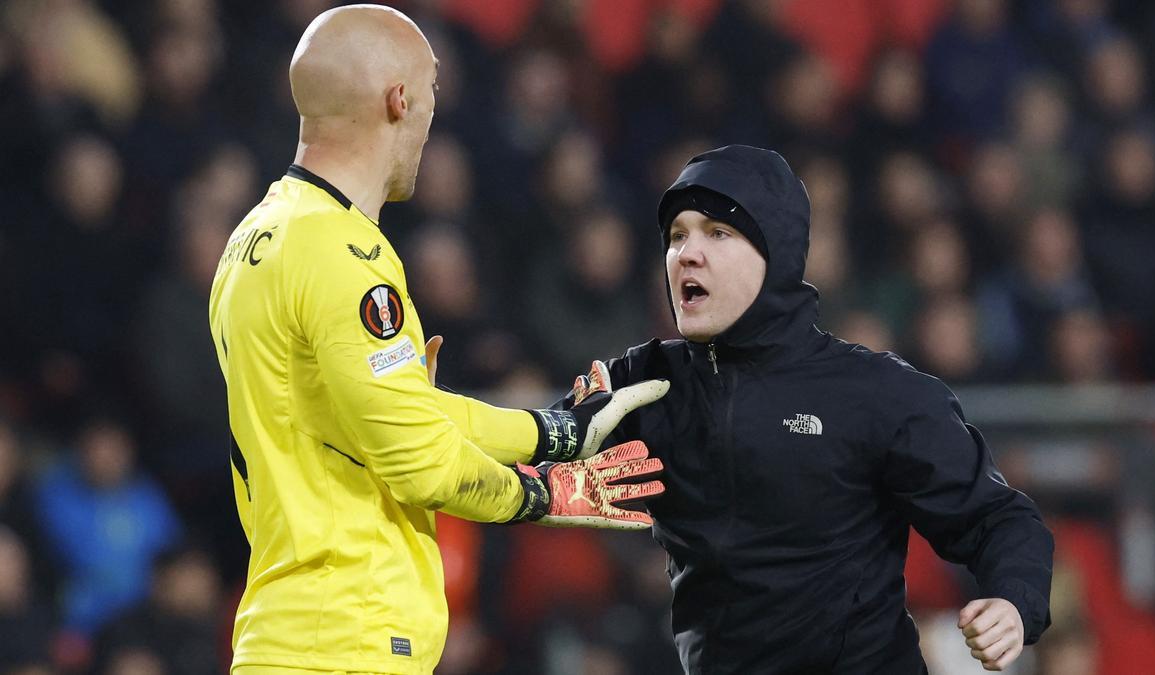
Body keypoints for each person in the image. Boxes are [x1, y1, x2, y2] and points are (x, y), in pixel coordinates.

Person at [207, 6, 668, 674]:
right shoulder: (344, 253)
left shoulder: (257, 237)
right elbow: (418, 459)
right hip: (346, 639)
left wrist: (556, 433)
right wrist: (547, 494)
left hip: (299, 631)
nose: (428, 126)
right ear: (399, 101)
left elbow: (398, 416)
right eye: (429, 100)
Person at [558, 145, 1054, 673]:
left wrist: (1011, 600)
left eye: (717, 232)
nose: (686, 253)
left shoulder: (875, 392)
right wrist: (462, 421)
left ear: (776, 253)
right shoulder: (643, 383)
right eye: (677, 235)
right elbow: (532, 444)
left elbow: (998, 516)